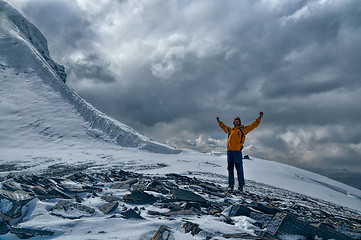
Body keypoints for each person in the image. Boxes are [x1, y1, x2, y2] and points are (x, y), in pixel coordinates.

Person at [216, 112, 263, 192]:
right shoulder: (230, 130)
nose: (236, 123)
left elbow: (253, 125)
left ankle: (241, 186)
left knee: (239, 169)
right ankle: (231, 185)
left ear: (240, 122)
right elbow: (223, 127)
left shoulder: (243, 130)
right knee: (230, 169)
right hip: (230, 152)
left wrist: (259, 117)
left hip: (237, 152)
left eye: (238, 122)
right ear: (233, 122)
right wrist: (219, 121)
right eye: (235, 122)